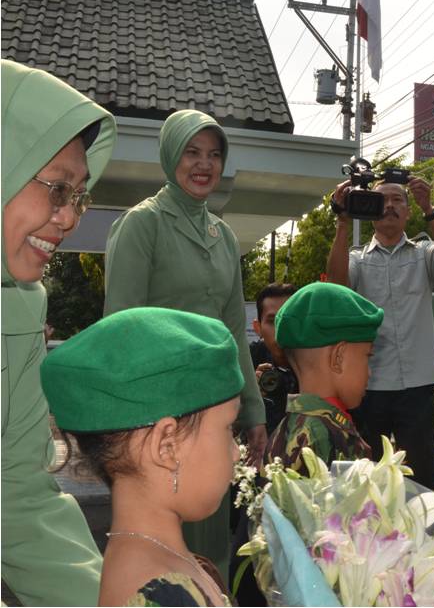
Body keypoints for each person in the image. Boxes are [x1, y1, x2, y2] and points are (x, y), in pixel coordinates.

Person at [104, 109, 265, 580]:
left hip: (212, 413)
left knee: (208, 539)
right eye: (193, 152)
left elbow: (235, 329)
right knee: (157, 543)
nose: (204, 164)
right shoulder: (142, 224)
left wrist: (252, 412)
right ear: (170, 155)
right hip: (157, 417)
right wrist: (136, 420)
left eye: (214, 155)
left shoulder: (224, 236)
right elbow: (122, 327)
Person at [1, 59, 116, 606]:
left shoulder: (20, 310)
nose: (69, 218)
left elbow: (18, 493)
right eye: (56, 189)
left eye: (78, 196)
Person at [41, 307, 243, 607]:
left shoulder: (154, 560)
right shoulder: (161, 593)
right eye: (229, 429)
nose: (237, 452)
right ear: (167, 445)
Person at [325, 176, 434, 490]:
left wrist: (430, 208)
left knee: (423, 473)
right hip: (370, 384)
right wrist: (343, 222)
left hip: (417, 384)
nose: (389, 206)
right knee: (368, 475)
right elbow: (336, 284)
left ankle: (423, 535)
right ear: (370, 210)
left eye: (398, 199)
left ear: (409, 211)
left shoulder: (424, 253)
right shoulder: (358, 259)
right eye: (382, 200)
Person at [265, 281, 384, 475]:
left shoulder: (283, 430)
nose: (369, 372)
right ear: (338, 357)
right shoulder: (329, 436)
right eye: (367, 357)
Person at [251, 282, 299, 432]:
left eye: (288, 320)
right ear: (257, 328)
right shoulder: (248, 360)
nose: (281, 330)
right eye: (272, 321)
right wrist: (249, 395)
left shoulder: (317, 358)